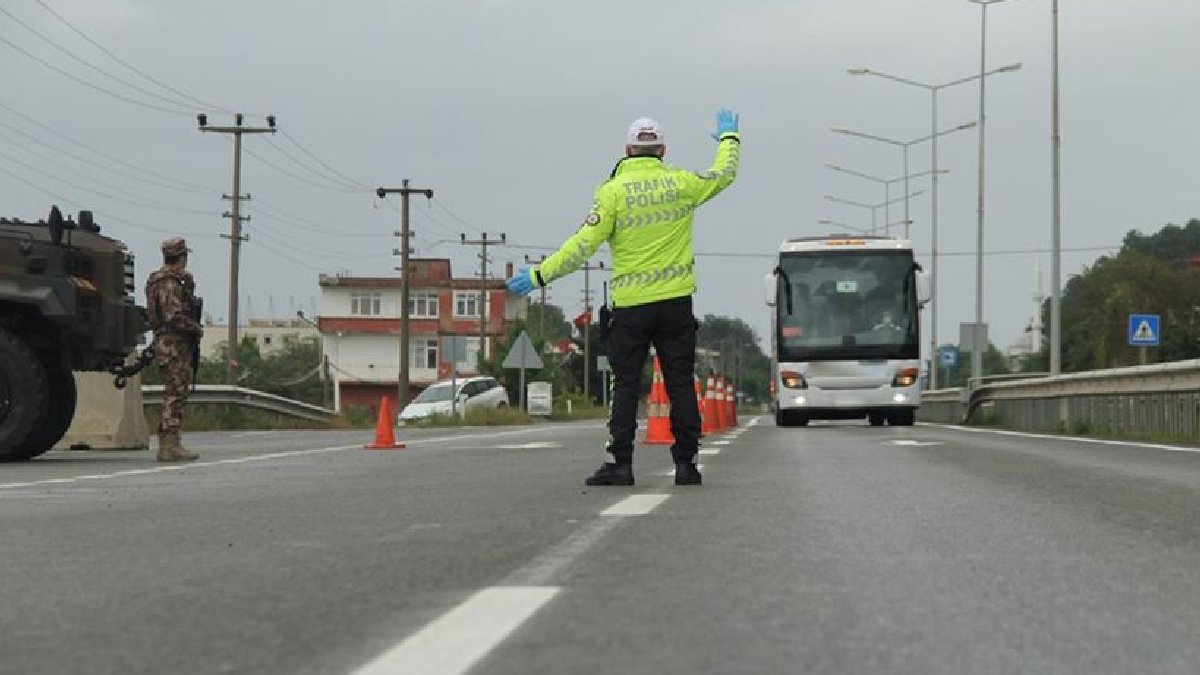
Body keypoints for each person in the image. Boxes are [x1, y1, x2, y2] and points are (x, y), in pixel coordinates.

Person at [506, 109, 741, 486]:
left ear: (627, 150)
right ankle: (686, 464)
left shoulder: (612, 192)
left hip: (631, 307)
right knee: (680, 381)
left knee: (625, 384)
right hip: (676, 302)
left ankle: (620, 463)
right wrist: (729, 140)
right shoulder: (682, 183)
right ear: (662, 150)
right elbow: (724, 175)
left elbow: (581, 246)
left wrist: (538, 275)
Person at [145, 238, 203, 462]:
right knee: (175, 393)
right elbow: (173, 317)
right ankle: (169, 444)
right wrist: (195, 328)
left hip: (167, 342)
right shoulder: (170, 283)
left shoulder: (159, 281)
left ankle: (171, 442)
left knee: (175, 391)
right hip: (173, 343)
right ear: (181, 257)